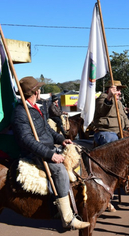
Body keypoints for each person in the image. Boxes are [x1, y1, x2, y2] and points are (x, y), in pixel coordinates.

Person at [11, 76, 90, 230]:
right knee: (60, 170)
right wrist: (50, 154)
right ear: (35, 92)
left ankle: (77, 200)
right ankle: (67, 218)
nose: (40, 90)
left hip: (48, 147)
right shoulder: (21, 112)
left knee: (78, 155)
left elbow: (47, 129)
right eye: (38, 88)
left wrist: (62, 140)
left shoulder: (36, 107)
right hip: (34, 152)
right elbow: (25, 140)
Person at [93, 80, 129, 146]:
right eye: (117, 90)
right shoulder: (103, 98)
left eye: (120, 90)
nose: (120, 93)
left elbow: (124, 116)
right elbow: (102, 111)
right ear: (110, 89)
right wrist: (109, 97)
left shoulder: (119, 102)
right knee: (114, 144)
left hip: (119, 131)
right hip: (106, 131)